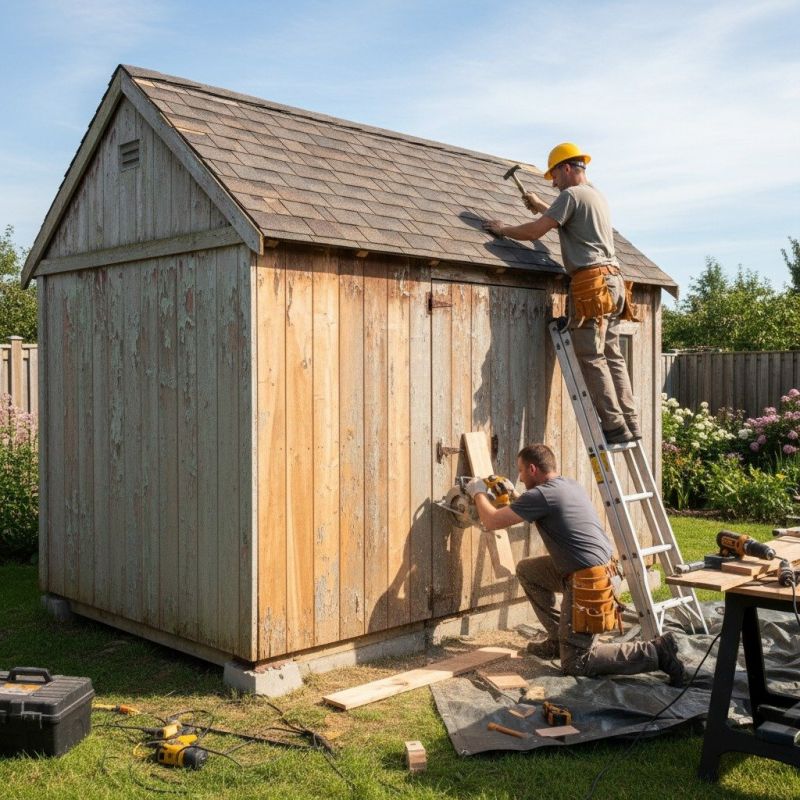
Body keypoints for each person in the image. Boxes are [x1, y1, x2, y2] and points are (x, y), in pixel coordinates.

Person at [466, 443, 687, 685]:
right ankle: (558, 640)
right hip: (600, 570)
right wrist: (514, 496)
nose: (519, 478)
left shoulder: (540, 496)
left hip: (590, 582)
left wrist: (478, 492)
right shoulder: (567, 485)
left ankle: (656, 652)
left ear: (532, 469)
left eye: (520, 471)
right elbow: (538, 506)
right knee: (528, 571)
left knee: (577, 663)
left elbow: (492, 521)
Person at [484, 143, 639, 444]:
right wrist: (542, 205)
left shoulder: (570, 196)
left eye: (554, 175)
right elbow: (571, 223)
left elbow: (534, 233)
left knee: (591, 356)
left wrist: (503, 229)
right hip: (615, 282)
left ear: (566, 168)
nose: (553, 183)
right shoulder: (595, 195)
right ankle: (630, 422)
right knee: (612, 355)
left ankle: (613, 425)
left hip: (592, 284)